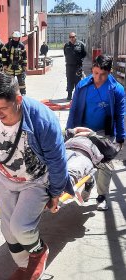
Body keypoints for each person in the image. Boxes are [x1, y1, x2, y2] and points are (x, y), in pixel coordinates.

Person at [0, 73, 73, 280]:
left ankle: (39, 251)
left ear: (18, 100)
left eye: (3, 108)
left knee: (21, 228)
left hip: (35, 181)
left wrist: (55, 192)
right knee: (8, 231)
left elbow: (57, 160)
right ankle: (25, 266)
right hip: (4, 177)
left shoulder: (42, 119)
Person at [66, 54, 125, 211]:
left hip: (103, 132)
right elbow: (74, 109)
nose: (98, 77)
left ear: (110, 72)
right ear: (92, 69)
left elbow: (120, 115)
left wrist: (120, 138)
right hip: (83, 129)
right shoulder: (82, 86)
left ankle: (102, 196)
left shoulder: (117, 90)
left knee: (104, 164)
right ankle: (88, 182)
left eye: (103, 74)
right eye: (96, 72)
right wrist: (70, 130)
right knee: (82, 160)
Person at [64, 127, 120, 202]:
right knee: (59, 163)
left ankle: (101, 196)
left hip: (88, 148)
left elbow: (111, 151)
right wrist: (74, 130)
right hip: (70, 148)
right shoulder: (70, 136)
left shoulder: (97, 140)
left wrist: (91, 134)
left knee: (103, 168)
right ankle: (89, 182)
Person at [2, 31, 28, 95]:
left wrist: (24, 65)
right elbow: (4, 55)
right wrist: (5, 64)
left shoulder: (21, 46)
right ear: (12, 37)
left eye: (17, 38)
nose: (16, 39)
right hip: (9, 67)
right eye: (15, 38)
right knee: (9, 81)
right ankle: (9, 94)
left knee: (21, 81)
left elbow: (24, 56)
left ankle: (23, 94)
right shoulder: (7, 45)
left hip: (19, 67)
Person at [63, 32, 87, 100]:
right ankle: (69, 95)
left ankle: (77, 96)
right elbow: (65, 54)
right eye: (70, 37)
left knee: (77, 81)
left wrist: (79, 60)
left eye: (73, 37)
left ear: (76, 37)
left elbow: (84, 54)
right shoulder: (66, 45)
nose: (72, 38)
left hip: (77, 66)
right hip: (69, 66)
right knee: (69, 80)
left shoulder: (81, 44)